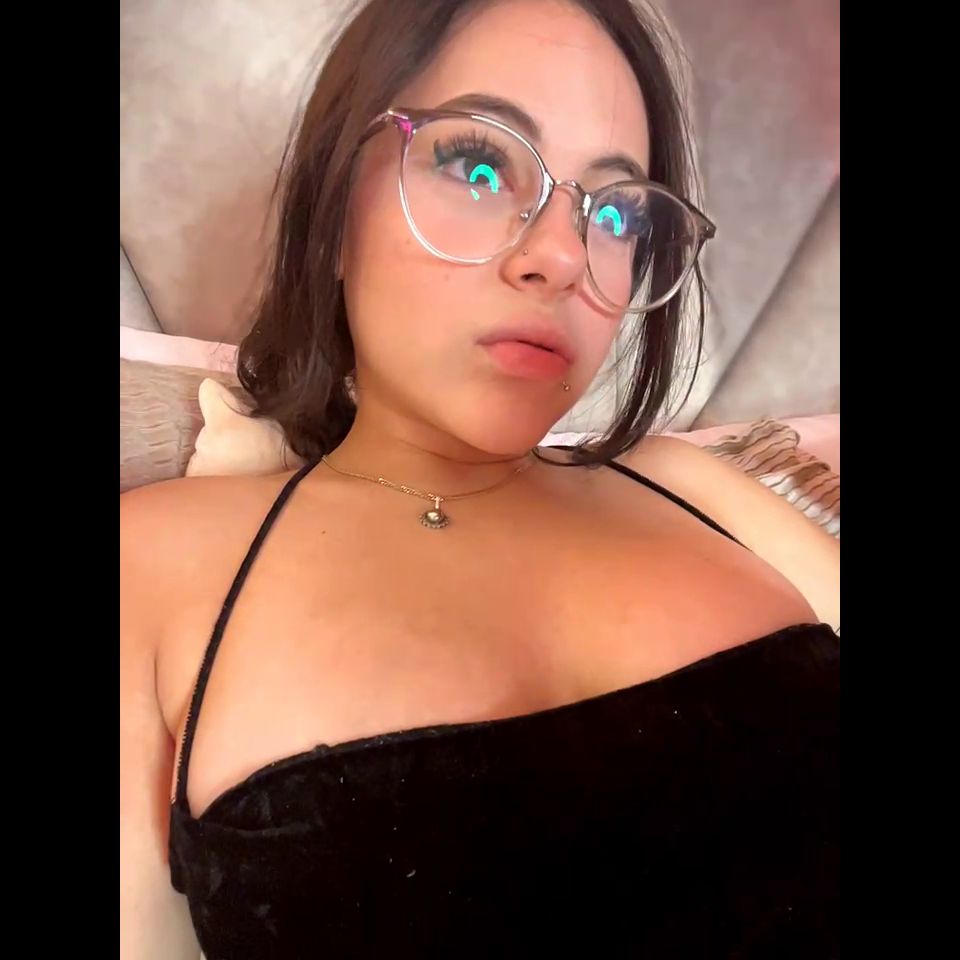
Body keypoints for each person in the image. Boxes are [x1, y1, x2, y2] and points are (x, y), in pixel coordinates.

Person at [120, 0, 840, 955]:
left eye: (615, 211)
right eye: (479, 165)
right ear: (333, 217)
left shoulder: (701, 489)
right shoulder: (153, 566)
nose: (563, 257)